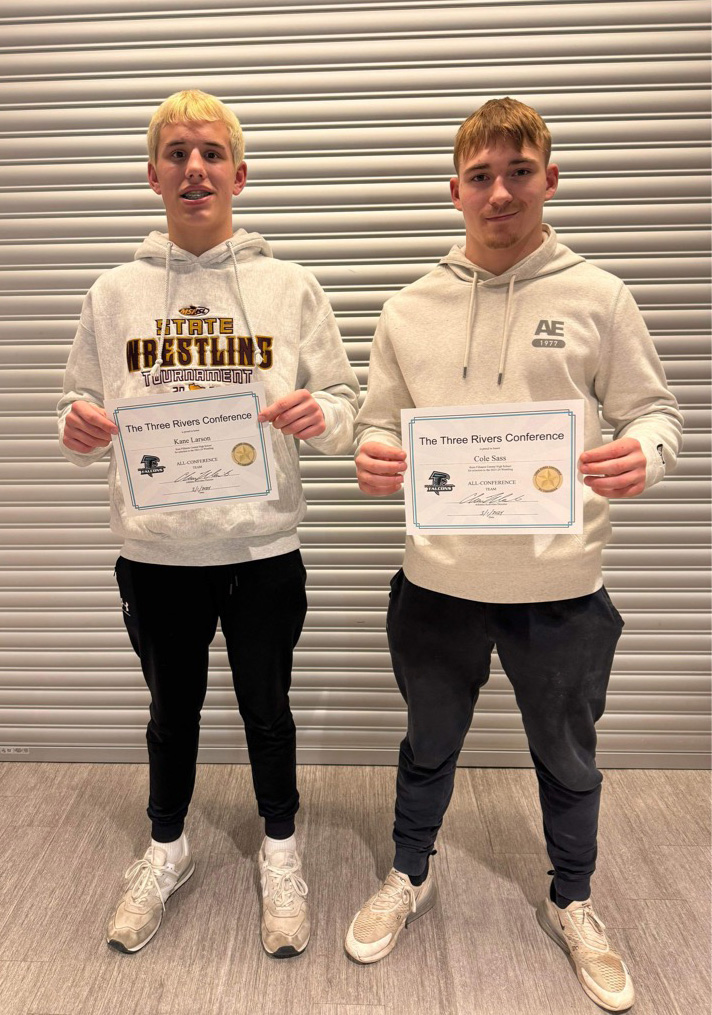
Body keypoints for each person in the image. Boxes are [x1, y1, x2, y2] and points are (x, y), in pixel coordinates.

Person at [345, 97, 682, 1011]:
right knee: (428, 743)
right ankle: (410, 870)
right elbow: (377, 424)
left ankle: (574, 897)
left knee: (568, 757)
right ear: (455, 190)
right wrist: (374, 457)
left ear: (550, 179)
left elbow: (656, 411)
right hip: (437, 586)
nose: (501, 193)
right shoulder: (407, 307)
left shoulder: (599, 296)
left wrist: (644, 454)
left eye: (519, 172)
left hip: (563, 587)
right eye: (482, 176)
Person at [57, 90, 359, 958]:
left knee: (269, 708)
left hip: (263, 545)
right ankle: (167, 849)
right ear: (152, 174)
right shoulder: (113, 293)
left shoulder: (289, 285)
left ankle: (280, 849)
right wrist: (73, 425)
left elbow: (344, 404)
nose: (196, 168)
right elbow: (79, 400)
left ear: (240, 171)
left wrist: (322, 420)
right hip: (155, 550)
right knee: (170, 710)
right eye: (178, 153)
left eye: (212, 152)